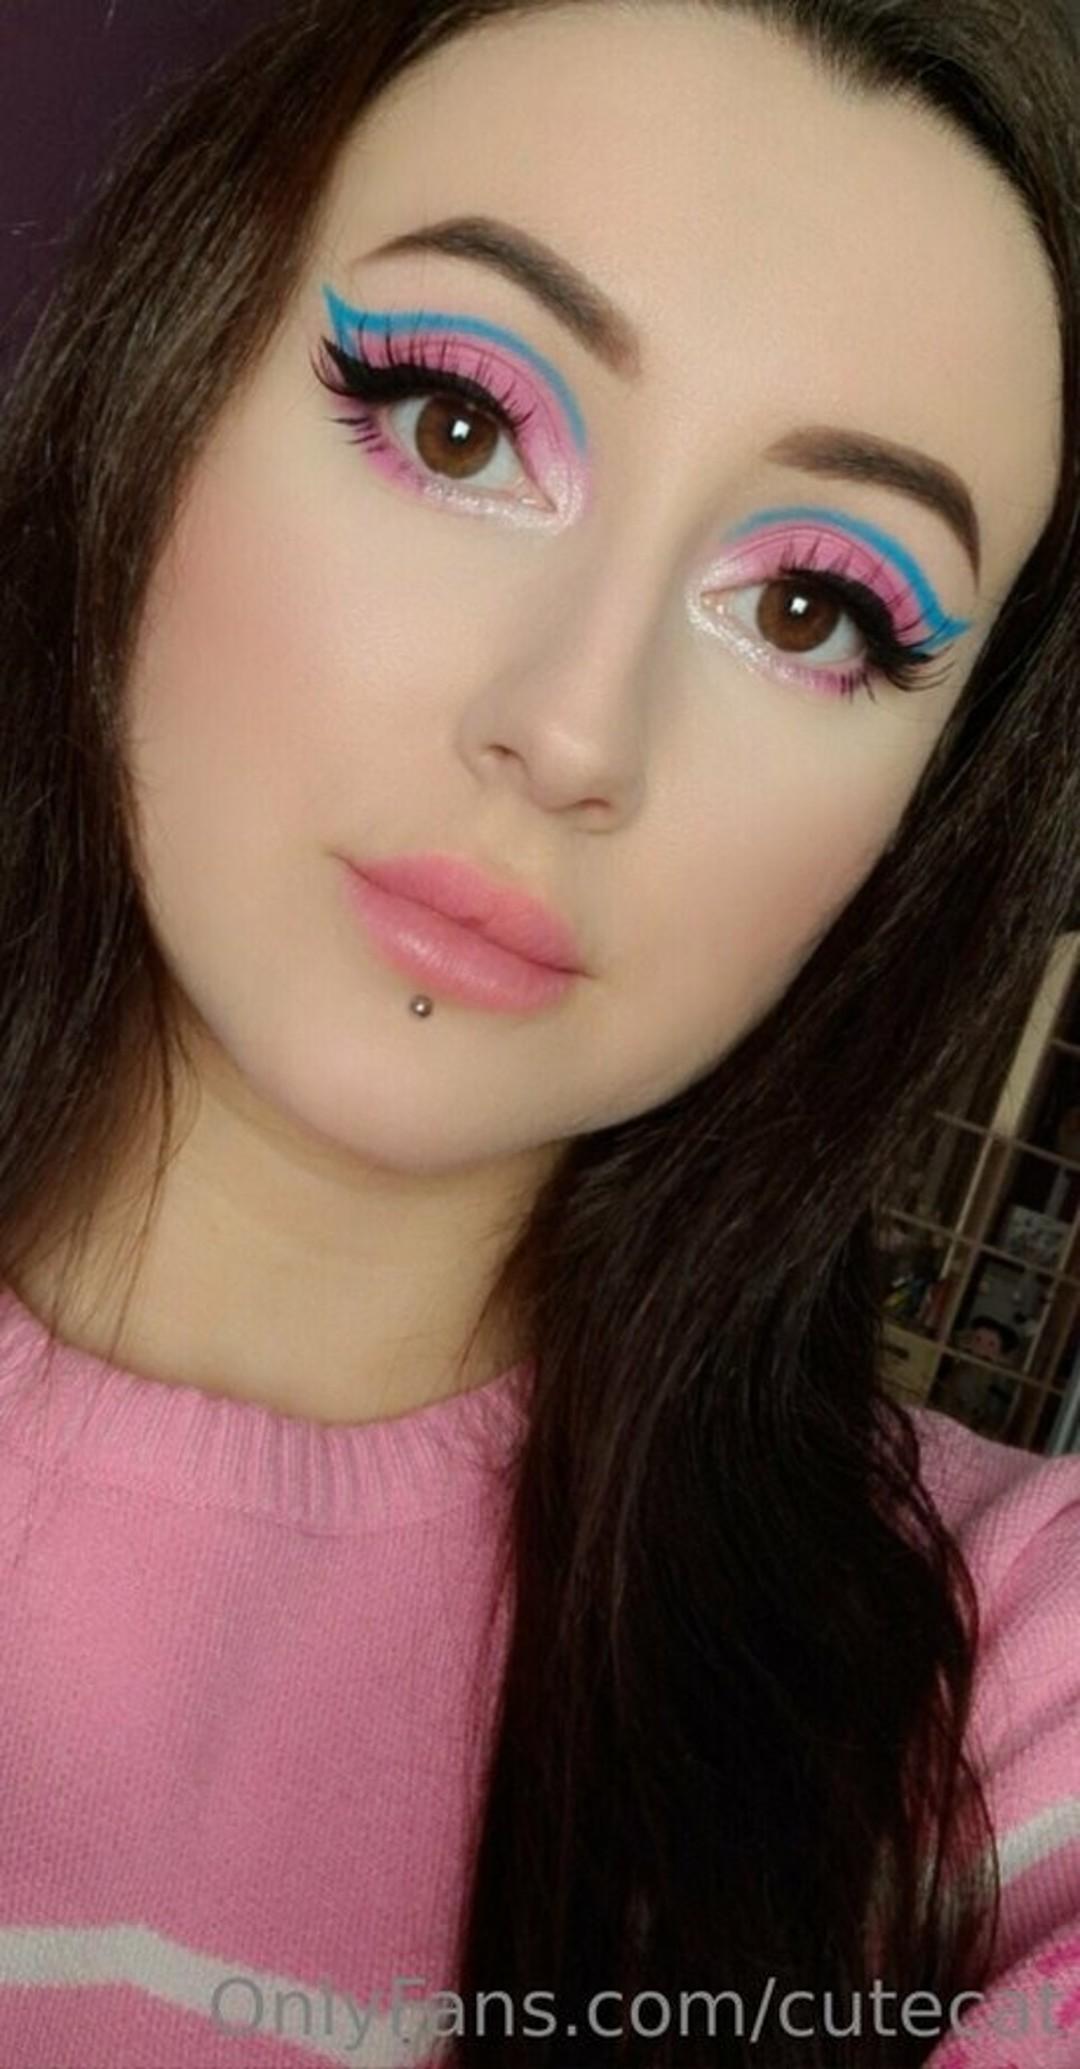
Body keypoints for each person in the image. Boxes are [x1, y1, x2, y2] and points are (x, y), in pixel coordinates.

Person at [0, 0, 1078, 2062]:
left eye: (812, 610)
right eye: (458, 426)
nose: (575, 730)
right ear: (163, 380)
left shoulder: (992, 1677)